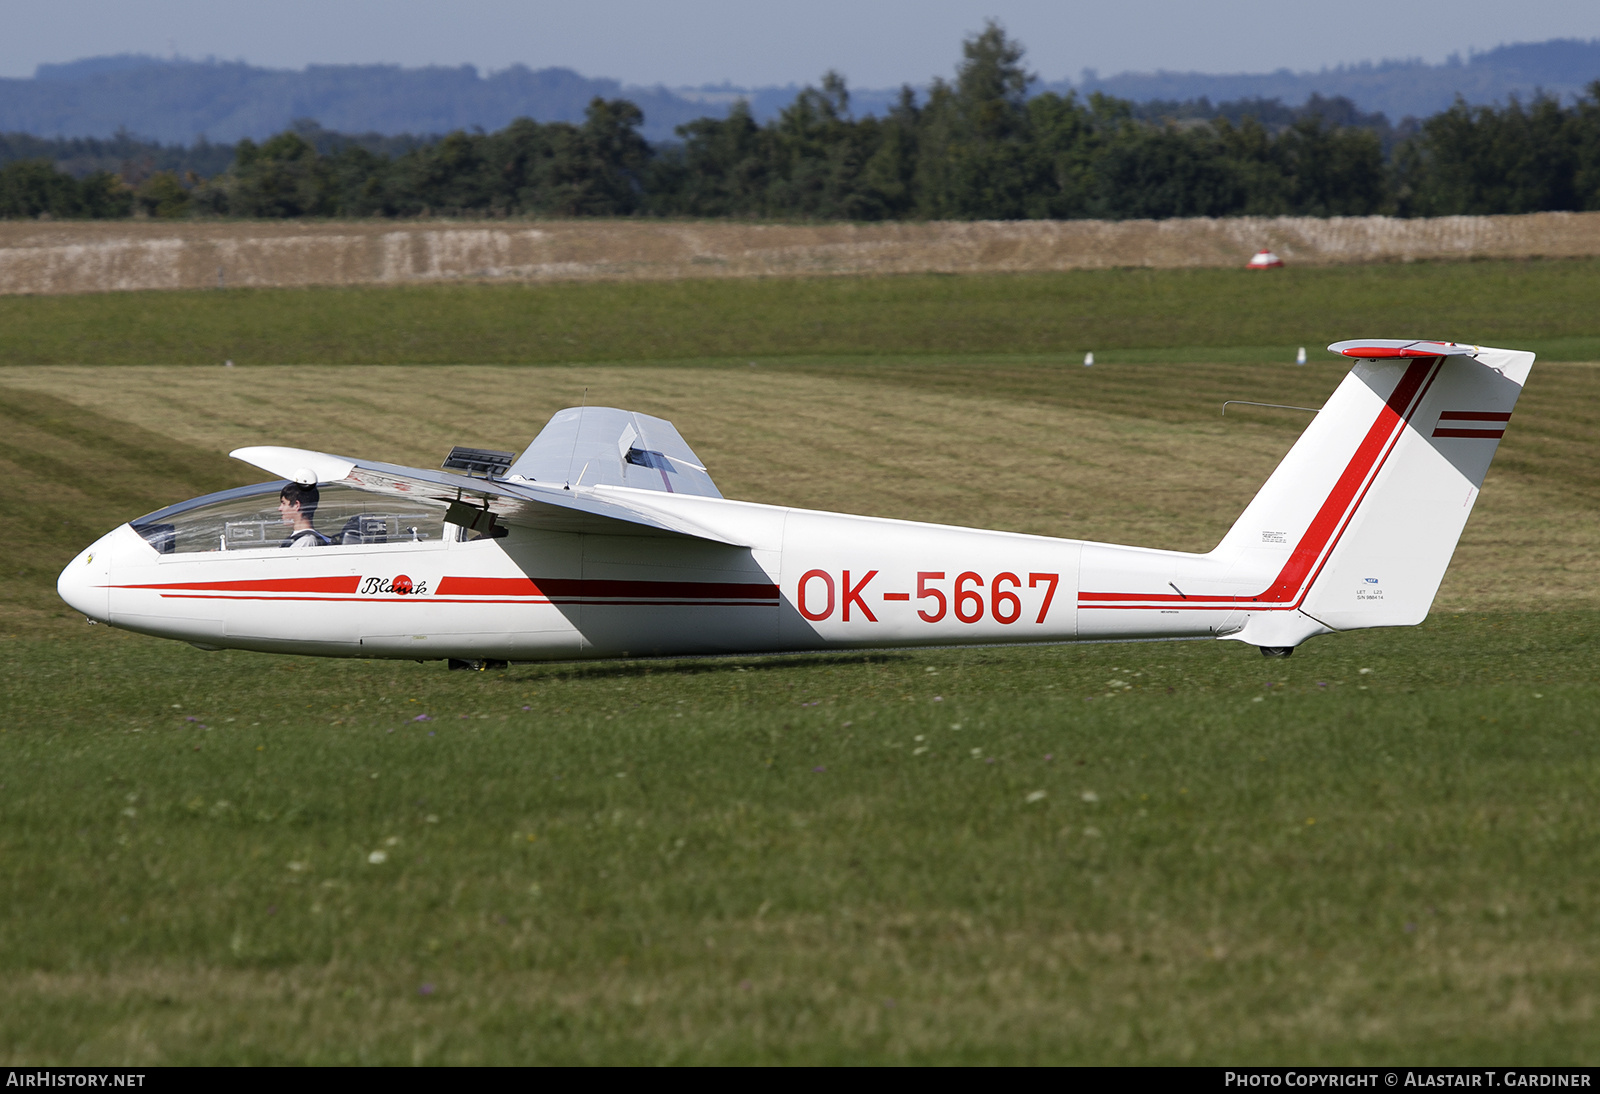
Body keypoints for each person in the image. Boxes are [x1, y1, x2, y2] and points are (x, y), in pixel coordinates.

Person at [278, 483, 332, 548]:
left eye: (284, 503)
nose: (280, 508)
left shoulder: (305, 541)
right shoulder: (298, 539)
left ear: (296, 505)